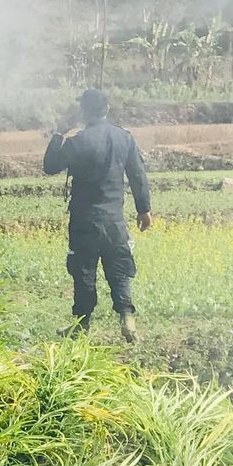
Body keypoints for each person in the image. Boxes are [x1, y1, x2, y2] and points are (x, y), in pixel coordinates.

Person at [44, 87, 153, 342]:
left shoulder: (77, 142)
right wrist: (144, 209)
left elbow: (50, 167)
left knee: (83, 272)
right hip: (114, 220)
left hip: (84, 221)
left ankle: (82, 326)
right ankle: (128, 320)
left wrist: (60, 131)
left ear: (83, 112)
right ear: (107, 110)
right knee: (119, 269)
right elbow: (138, 175)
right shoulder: (124, 138)